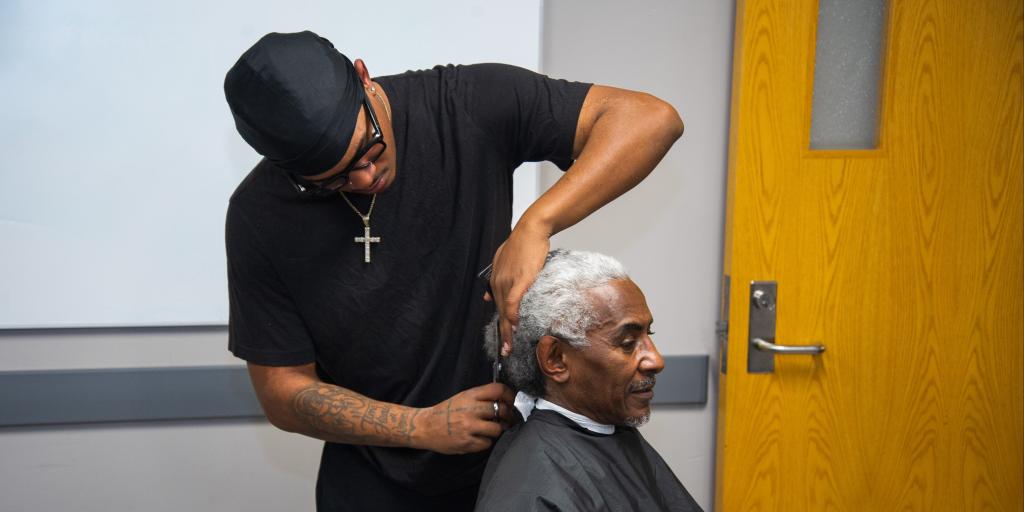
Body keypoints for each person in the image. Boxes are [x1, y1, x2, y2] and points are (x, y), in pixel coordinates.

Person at [223, 30, 683, 511]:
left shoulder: (466, 104)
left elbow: (651, 120)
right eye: (332, 179)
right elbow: (282, 390)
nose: (364, 179)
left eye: (369, 149)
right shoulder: (261, 216)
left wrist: (536, 224)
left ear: (364, 77)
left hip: (511, 467)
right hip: (373, 484)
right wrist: (419, 426)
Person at [475, 249, 703, 511]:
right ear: (556, 359)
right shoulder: (530, 491)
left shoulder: (610, 431)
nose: (656, 360)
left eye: (648, 335)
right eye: (628, 343)